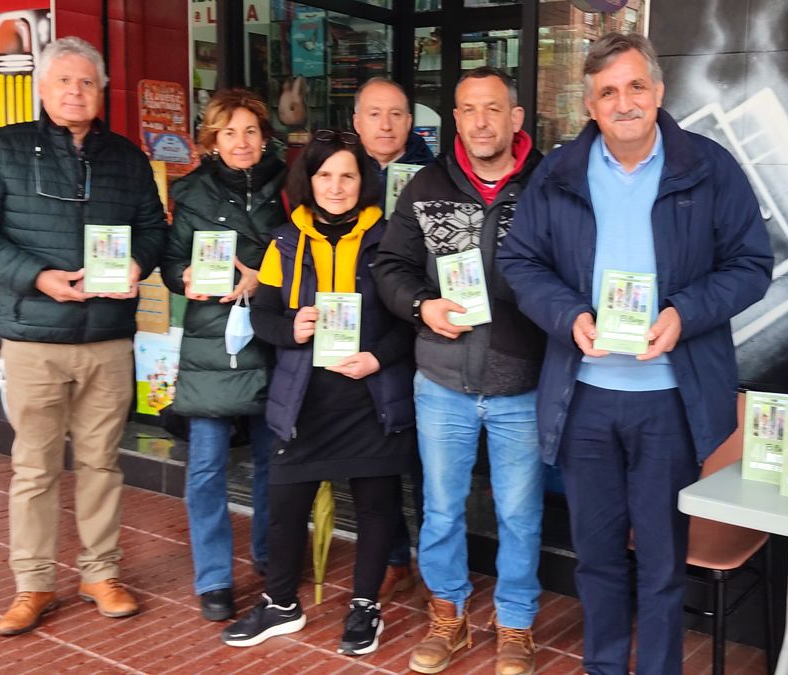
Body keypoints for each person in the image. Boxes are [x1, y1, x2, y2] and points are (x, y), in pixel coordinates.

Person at [498, 33, 773, 674]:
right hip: (585, 397)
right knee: (594, 554)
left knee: (660, 560)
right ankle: (602, 666)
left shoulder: (709, 167)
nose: (624, 102)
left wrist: (685, 313)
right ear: (590, 106)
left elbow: (752, 265)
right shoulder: (559, 171)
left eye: (635, 86)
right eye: (608, 92)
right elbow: (520, 261)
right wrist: (569, 316)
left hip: (668, 402)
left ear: (658, 92)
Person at [0, 36, 167, 635]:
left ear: (102, 90)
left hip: (108, 338)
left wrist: (139, 267)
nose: (75, 91)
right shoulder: (2, 149)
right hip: (34, 337)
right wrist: (36, 277)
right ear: (42, 89)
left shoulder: (126, 156)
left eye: (86, 82)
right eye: (63, 81)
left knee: (101, 463)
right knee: (35, 467)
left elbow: (153, 228)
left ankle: (101, 572)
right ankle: (33, 583)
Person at [373, 67, 546, 675]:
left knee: (519, 514)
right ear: (455, 120)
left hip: (521, 385)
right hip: (442, 382)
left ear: (515, 118)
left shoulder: (546, 186)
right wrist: (422, 305)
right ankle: (448, 615)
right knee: (442, 509)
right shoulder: (424, 186)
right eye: (467, 110)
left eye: (493, 109)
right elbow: (390, 265)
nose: (480, 121)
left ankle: (516, 622)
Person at [221, 130, 416, 657]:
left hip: (370, 392)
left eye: (347, 175)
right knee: (285, 501)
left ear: (364, 181)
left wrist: (378, 357)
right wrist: (292, 328)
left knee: (378, 505)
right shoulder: (286, 241)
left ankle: (365, 607)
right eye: (324, 174)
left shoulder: (391, 239)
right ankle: (281, 603)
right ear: (308, 180)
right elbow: (262, 315)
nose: (335, 186)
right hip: (305, 395)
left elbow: (412, 318)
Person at [160, 88, 286, 622]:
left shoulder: (289, 188)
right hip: (211, 340)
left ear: (264, 137)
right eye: (229, 132)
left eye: (251, 131)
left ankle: (266, 554)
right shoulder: (191, 192)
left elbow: (305, 255)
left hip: (269, 334)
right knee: (207, 464)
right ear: (212, 140)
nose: (241, 142)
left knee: (269, 461)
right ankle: (213, 577)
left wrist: (264, 280)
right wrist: (182, 277)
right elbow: (169, 262)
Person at [350, 75, 434, 603]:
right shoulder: (338, 173)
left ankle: (435, 566)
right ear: (356, 122)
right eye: (374, 114)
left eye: (396, 114)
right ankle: (394, 556)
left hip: (423, 332)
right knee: (375, 459)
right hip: (363, 333)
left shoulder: (434, 175)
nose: (385, 124)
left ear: (412, 122)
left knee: (427, 461)